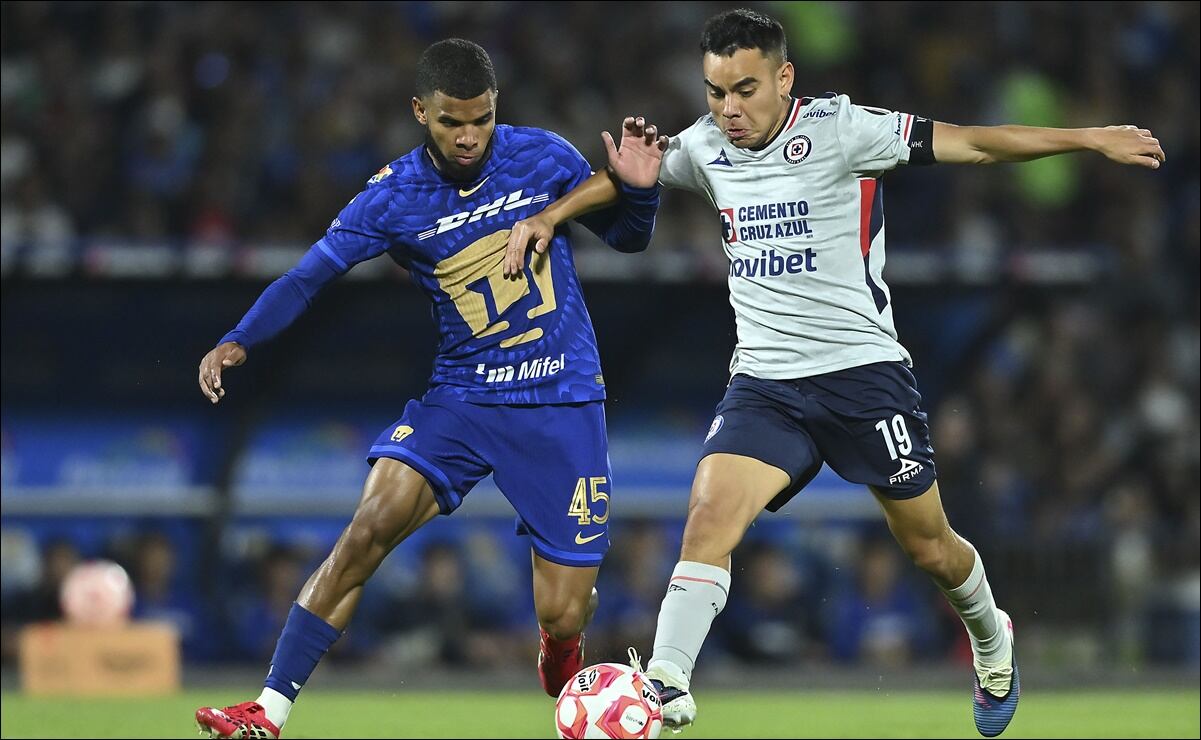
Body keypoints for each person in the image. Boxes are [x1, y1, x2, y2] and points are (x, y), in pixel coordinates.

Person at [504, 9, 1165, 737]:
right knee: (708, 516)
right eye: (714, 91)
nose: (728, 109)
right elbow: (626, 175)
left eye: (745, 89)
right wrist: (553, 216)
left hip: (862, 376)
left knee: (930, 548)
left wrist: (1088, 138)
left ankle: (988, 635)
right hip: (764, 384)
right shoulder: (703, 146)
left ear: (784, 77)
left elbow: (973, 143)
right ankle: (665, 682)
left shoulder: (844, 129)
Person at [193, 38, 667, 740]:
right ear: (421, 111)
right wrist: (240, 337)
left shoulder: (543, 156)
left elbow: (629, 237)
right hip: (462, 397)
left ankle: (560, 652)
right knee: (368, 527)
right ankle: (267, 710)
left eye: (480, 118)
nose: (469, 135)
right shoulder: (392, 195)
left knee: (564, 610)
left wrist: (640, 188)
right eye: (451, 122)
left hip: (560, 397)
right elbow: (307, 277)